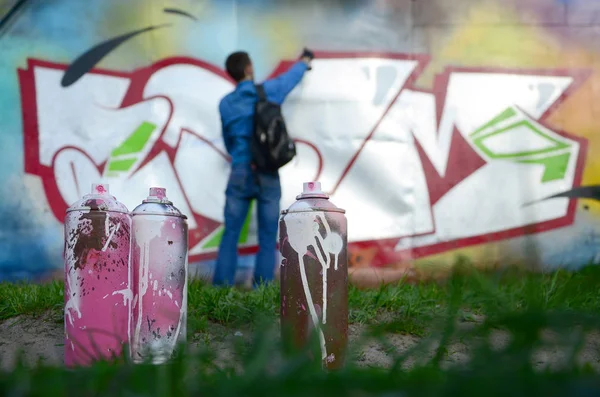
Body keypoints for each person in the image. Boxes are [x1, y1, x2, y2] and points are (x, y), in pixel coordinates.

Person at [213, 48, 314, 287]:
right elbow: (290, 79)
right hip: (267, 172)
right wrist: (304, 61)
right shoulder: (267, 92)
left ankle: (220, 288)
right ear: (249, 69)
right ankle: (262, 289)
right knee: (268, 237)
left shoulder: (225, 104)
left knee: (230, 234)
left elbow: (228, 141)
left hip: (239, 172)